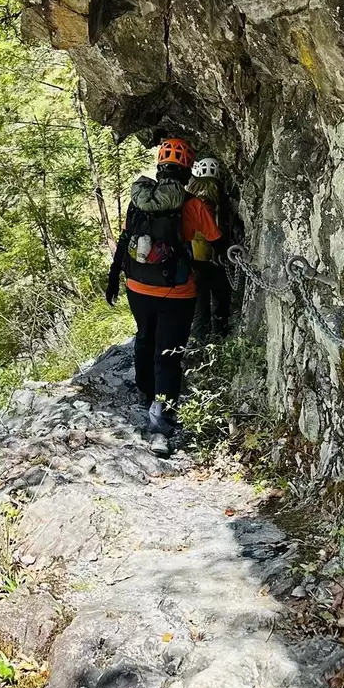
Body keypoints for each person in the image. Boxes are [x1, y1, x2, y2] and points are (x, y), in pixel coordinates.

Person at [104, 137, 221, 455]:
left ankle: (145, 393)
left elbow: (126, 240)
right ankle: (160, 428)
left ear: (159, 168)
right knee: (167, 355)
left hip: (137, 287)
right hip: (177, 293)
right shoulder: (192, 204)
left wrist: (113, 280)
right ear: (186, 172)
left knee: (145, 338)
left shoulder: (137, 200)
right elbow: (215, 239)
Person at [187, 156, 233, 340]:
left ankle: (201, 345)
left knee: (200, 309)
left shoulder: (189, 200)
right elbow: (219, 231)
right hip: (215, 259)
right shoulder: (218, 199)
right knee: (220, 302)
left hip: (193, 261)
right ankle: (219, 337)